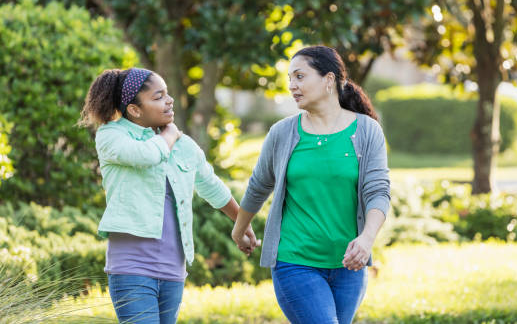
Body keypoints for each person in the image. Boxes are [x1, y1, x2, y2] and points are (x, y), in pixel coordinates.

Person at [79, 68, 259, 324]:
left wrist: (243, 225)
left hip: (173, 269)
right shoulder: (111, 135)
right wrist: (170, 135)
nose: (169, 100)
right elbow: (147, 156)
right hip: (132, 268)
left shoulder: (184, 145)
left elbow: (212, 186)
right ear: (135, 110)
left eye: (167, 94)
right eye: (158, 96)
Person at [231, 46, 390, 324]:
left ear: (329, 80)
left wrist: (366, 239)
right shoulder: (283, 133)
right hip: (295, 261)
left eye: (300, 77)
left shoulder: (366, 130)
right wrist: (239, 228)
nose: (292, 86)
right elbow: (259, 186)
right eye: (290, 78)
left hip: (348, 266)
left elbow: (378, 191)